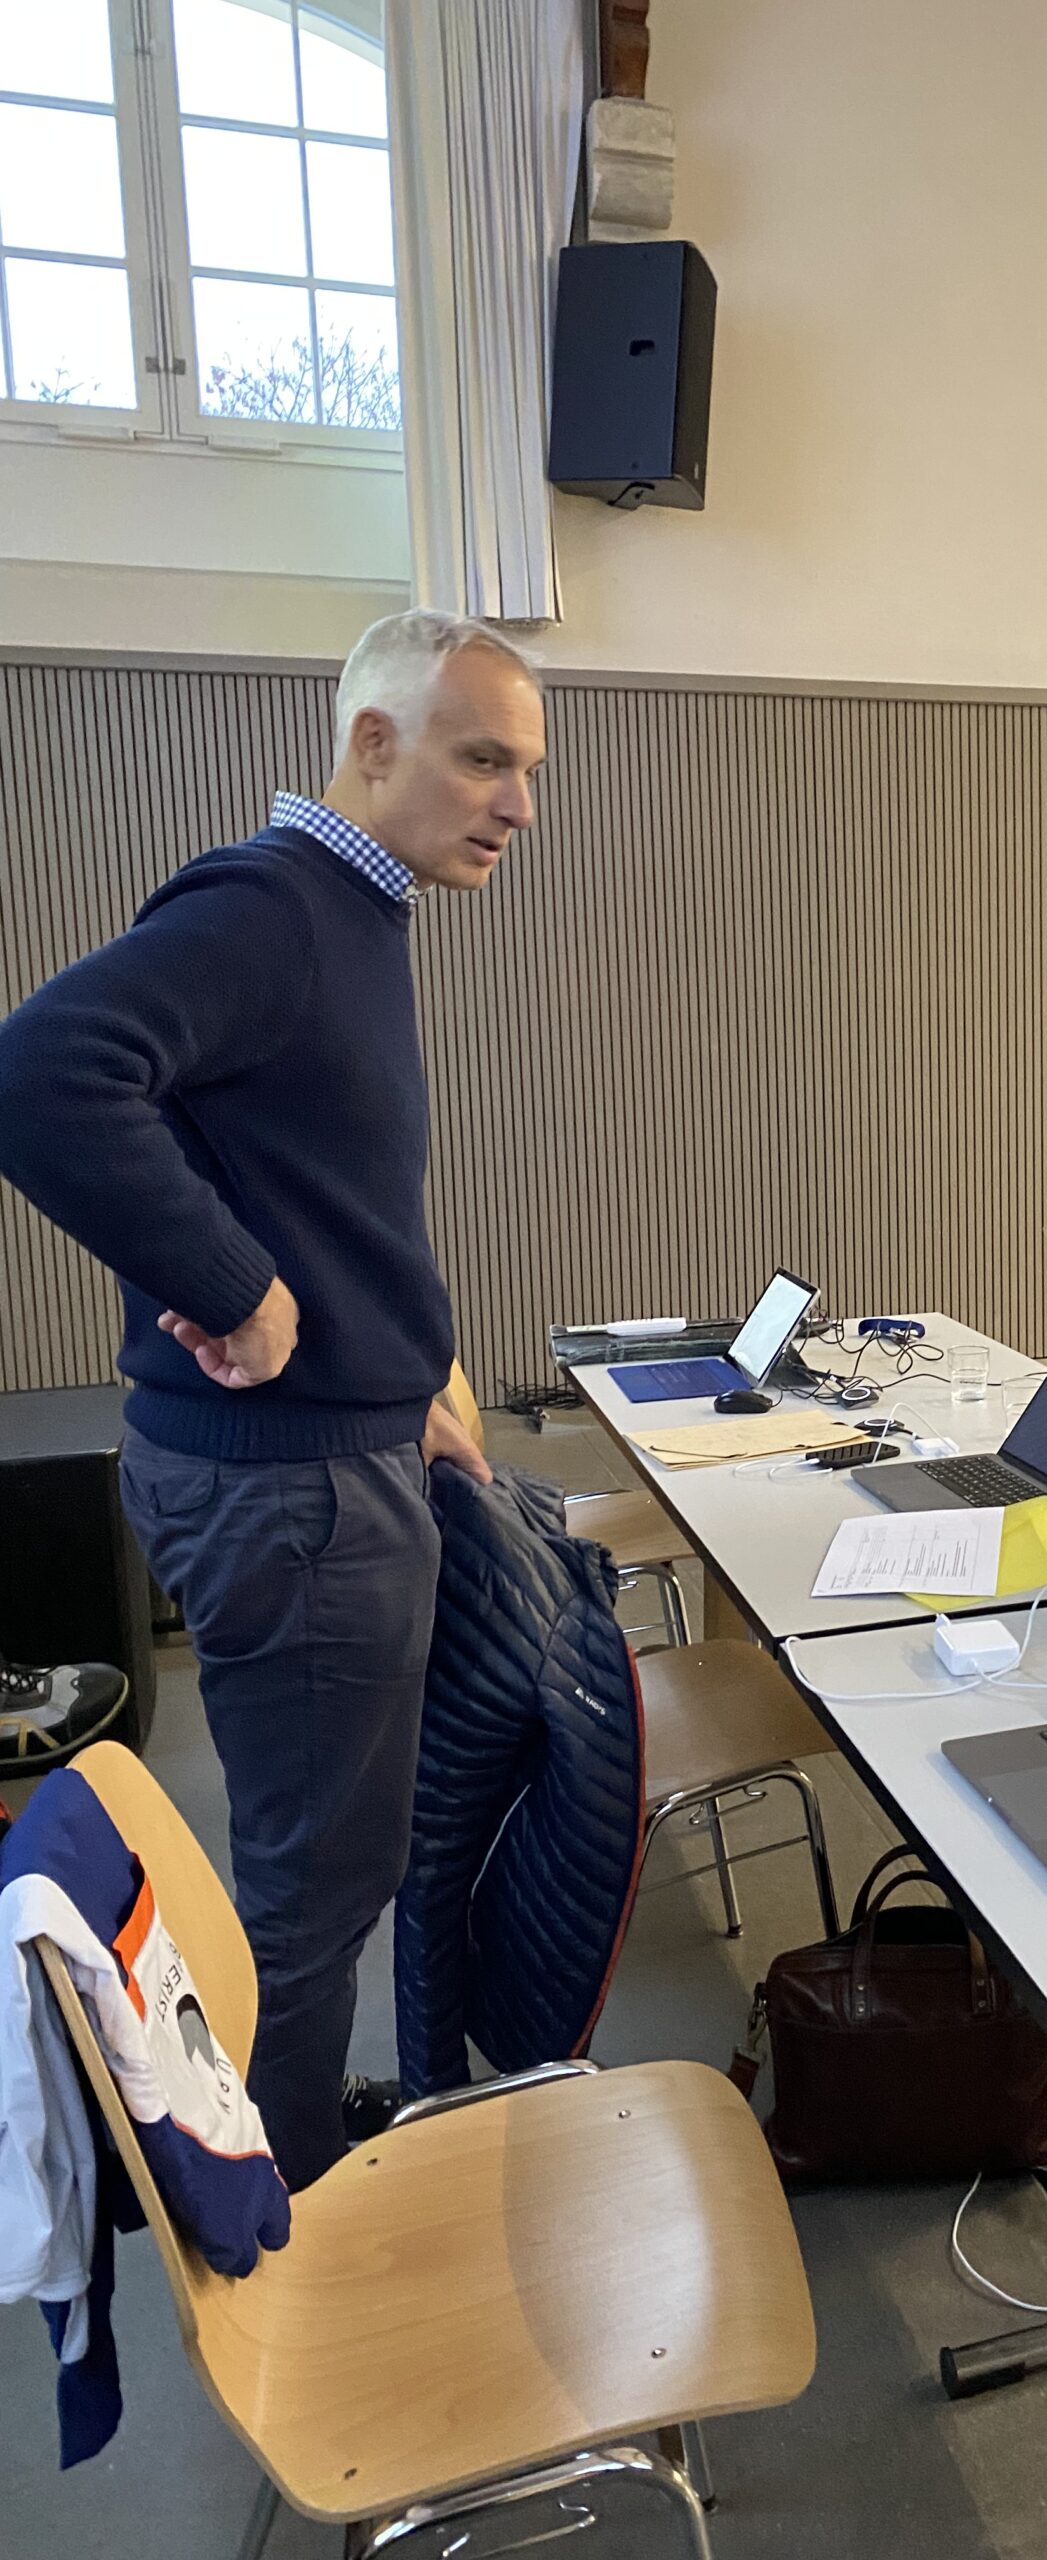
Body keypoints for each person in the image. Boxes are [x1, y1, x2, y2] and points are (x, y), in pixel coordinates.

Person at [0, 611, 545, 2186]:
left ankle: (282, 2120)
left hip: (321, 1457)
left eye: (526, 769)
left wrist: (399, 1380)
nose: (518, 805)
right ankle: (289, 2205)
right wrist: (235, 1285)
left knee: (325, 1867)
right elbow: (40, 1073)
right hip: (294, 1498)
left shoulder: (348, 912)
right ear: (374, 742)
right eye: (484, 760)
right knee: (319, 1889)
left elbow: (311, 1184)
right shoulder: (278, 906)